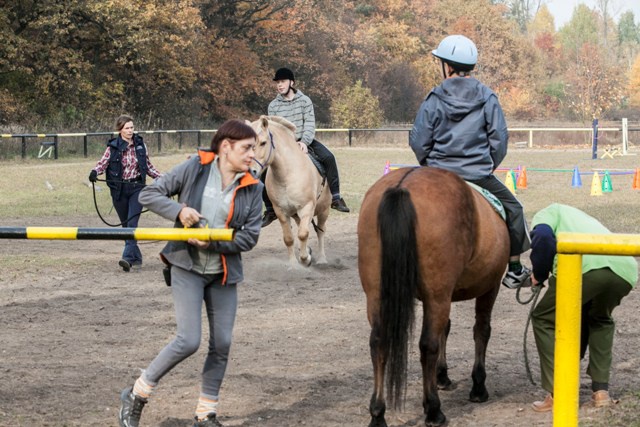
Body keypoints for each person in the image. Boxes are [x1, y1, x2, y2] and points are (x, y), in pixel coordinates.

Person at [117, 119, 263, 427]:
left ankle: (205, 413)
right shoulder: (196, 168)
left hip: (224, 273)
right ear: (226, 147)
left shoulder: (254, 186)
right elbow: (149, 194)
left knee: (221, 343)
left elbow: (249, 237)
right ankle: (136, 393)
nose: (253, 155)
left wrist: (212, 241)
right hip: (187, 266)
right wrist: (179, 212)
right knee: (188, 340)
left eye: (254, 148)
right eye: (247, 148)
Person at [409, 34, 531, 289]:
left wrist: (429, 164)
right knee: (515, 210)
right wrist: (485, 167)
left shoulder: (433, 98)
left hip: (438, 173)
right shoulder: (488, 97)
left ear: (448, 66)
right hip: (478, 174)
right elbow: (499, 140)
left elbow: (419, 140)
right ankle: (515, 268)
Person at [529, 203, 637, 412]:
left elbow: (542, 238)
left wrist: (539, 274)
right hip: (625, 270)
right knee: (600, 319)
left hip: (585, 268)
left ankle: (558, 392)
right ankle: (601, 392)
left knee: (543, 317)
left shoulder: (546, 212)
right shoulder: (584, 219)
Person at [261, 66, 349, 227]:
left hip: (304, 140)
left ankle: (336, 198)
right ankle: (270, 210)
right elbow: (274, 129)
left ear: (291, 82)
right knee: (264, 169)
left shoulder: (305, 101)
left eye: (283, 81)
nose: (279, 85)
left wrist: (304, 142)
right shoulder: (273, 105)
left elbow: (309, 124)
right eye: (277, 82)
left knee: (329, 158)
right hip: (283, 146)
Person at [89, 115, 162, 272]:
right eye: (127, 128)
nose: (130, 130)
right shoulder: (113, 147)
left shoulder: (140, 146)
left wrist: (163, 178)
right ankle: (136, 257)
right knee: (125, 226)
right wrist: (95, 172)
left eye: (132, 127)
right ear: (120, 130)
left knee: (132, 224)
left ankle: (127, 259)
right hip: (119, 190)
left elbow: (148, 167)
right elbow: (103, 163)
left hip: (137, 188)